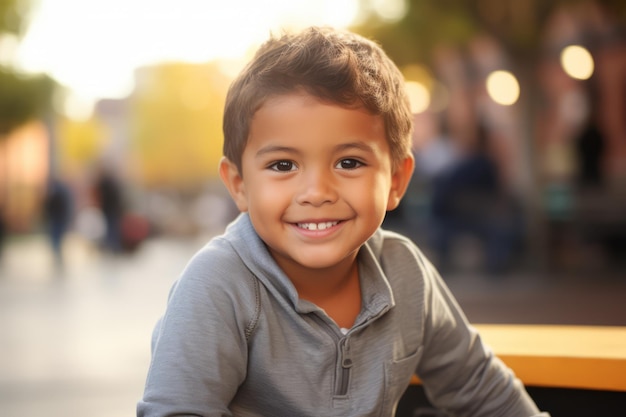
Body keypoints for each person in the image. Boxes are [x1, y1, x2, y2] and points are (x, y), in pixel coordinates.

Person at [138, 27, 549, 417]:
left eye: (348, 162)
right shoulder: (218, 286)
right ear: (240, 185)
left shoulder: (406, 272)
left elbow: (479, 386)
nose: (317, 192)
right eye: (284, 165)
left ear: (397, 180)